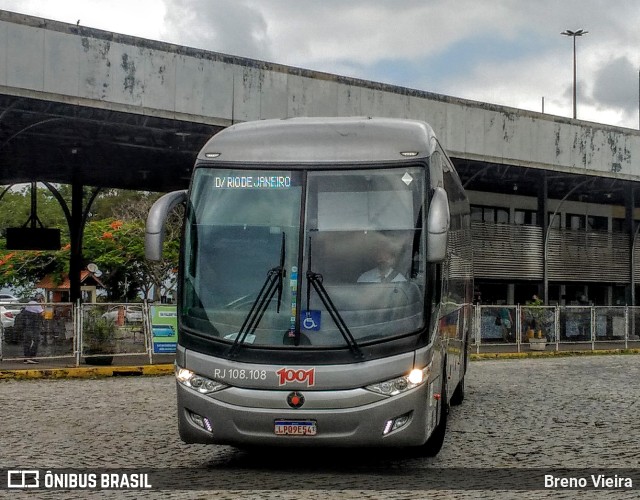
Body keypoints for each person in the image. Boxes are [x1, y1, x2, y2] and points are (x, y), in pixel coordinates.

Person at [18, 294, 45, 364]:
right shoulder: (37, 305)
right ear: (40, 299)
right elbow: (42, 313)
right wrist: (43, 305)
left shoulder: (30, 303)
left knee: (27, 342)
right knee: (36, 341)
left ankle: (27, 358)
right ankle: (31, 357)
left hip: (27, 326)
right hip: (33, 326)